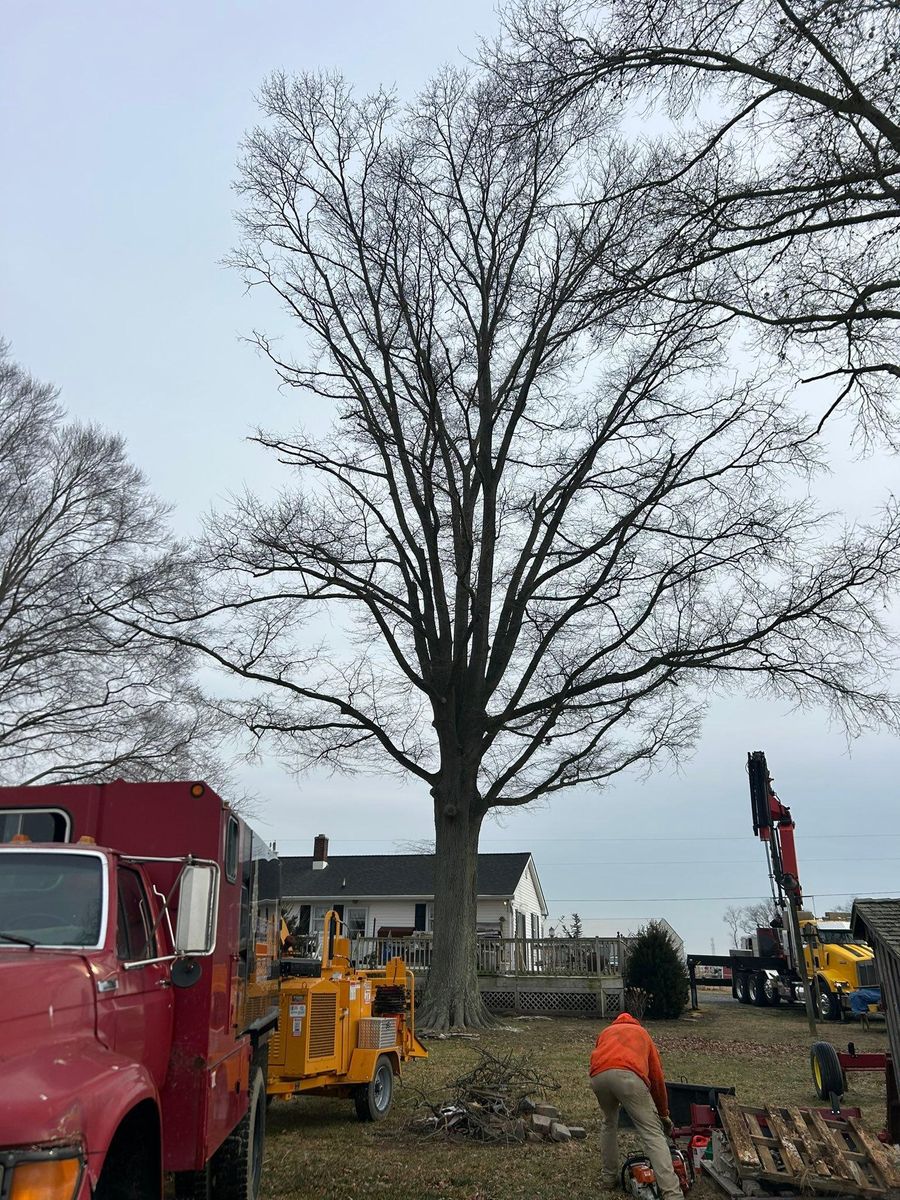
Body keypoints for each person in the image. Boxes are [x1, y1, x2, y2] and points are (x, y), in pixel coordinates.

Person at [589, 1012, 682, 1199]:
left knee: (608, 1123)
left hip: (598, 1077)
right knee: (652, 1132)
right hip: (628, 1076)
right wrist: (663, 1114)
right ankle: (672, 1194)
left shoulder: (606, 1032)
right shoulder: (642, 1034)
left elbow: (601, 1057)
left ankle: (608, 1178)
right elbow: (656, 1078)